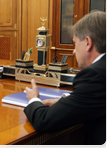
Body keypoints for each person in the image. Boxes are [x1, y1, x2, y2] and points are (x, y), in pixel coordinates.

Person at [24, 11, 108, 148]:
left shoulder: (94, 76)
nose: (74, 51)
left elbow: (44, 121)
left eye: (75, 43)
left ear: (88, 42)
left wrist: (33, 99)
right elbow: (97, 97)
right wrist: (66, 100)